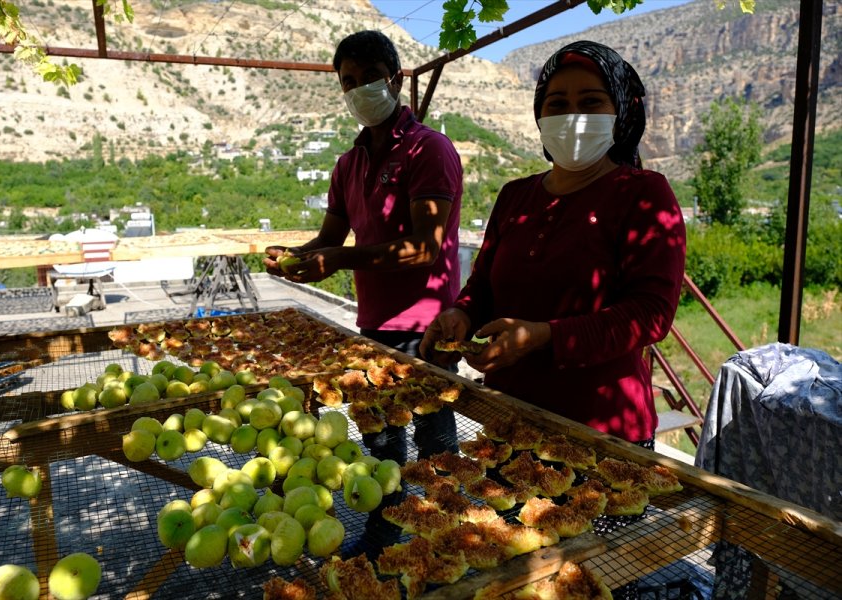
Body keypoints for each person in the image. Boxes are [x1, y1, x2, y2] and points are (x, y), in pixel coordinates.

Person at [420, 40, 687, 447]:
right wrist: (461, 314)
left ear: (620, 112)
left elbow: (652, 314)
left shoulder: (645, 193)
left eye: (591, 102)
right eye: (557, 103)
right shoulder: (515, 195)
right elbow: (484, 288)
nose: (573, 116)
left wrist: (545, 337)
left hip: (602, 434)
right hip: (508, 420)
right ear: (540, 115)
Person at [264, 30, 463, 465]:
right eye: (348, 81)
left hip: (426, 329)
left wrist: (340, 259)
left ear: (394, 80)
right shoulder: (348, 164)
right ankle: (385, 529)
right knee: (380, 446)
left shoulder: (427, 149)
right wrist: (293, 257)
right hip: (373, 324)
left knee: (437, 453)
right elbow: (329, 240)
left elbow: (425, 248)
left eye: (370, 76)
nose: (359, 89)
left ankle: (442, 529)